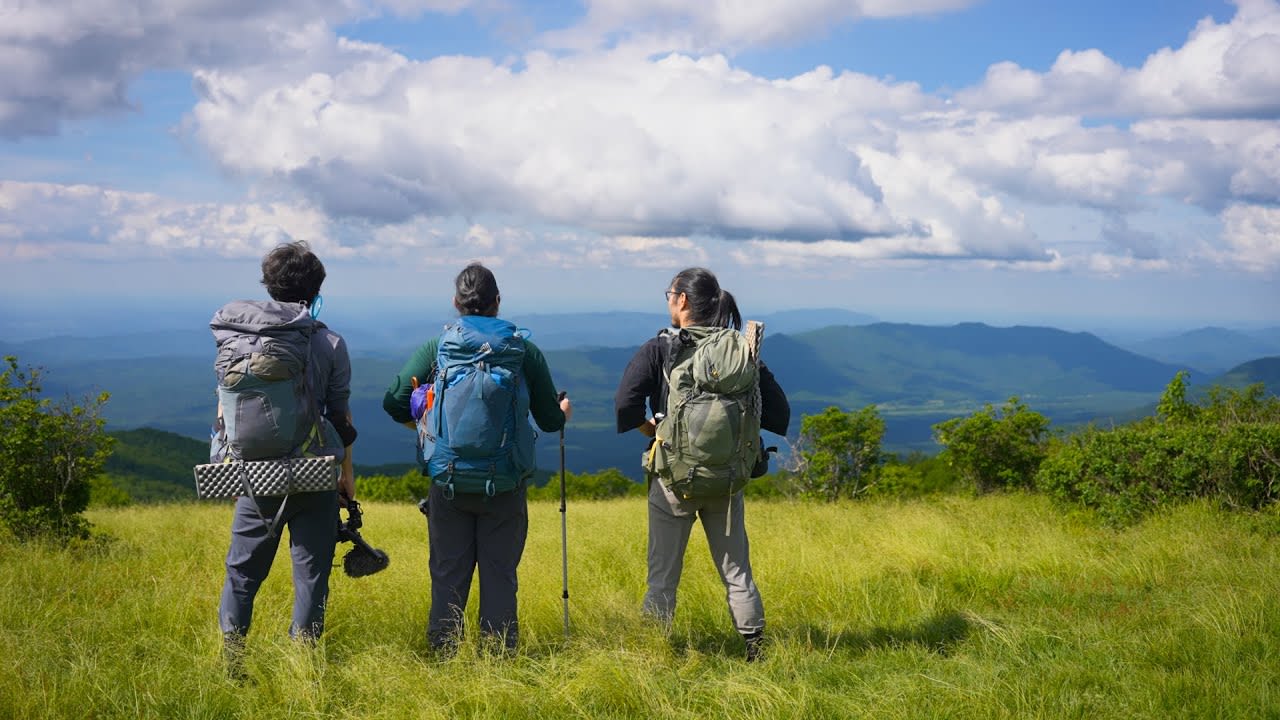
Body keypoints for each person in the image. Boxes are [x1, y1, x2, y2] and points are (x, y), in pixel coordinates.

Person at [382, 263, 571, 654]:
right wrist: (563, 411)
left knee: (448, 574)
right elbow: (550, 421)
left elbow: (393, 401)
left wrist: (426, 426)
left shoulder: (438, 348)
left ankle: (442, 654)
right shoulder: (523, 351)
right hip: (505, 483)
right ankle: (498, 660)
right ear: (497, 302)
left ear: (456, 303)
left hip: (448, 481)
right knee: (499, 575)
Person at [614, 267, 789, 661]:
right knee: (736, 571)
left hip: (674, 483)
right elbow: (780, 414)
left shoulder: (661, 349)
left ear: (683, 300)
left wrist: (651, 430)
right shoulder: (740, 354)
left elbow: (625, 404)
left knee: (662, 578)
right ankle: (756, 651)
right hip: (726, 481)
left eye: (669, 294)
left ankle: (653, 652)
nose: (668, 301)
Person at [215, 241, 357, 661]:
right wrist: (346, 474)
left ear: (269, 287)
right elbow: (340, 418)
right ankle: (303, 662)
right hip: (314, 472)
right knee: (311, 576)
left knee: (242, 572)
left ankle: (232, 658)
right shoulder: (330, 343)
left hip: (255, 474)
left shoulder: (240, 339)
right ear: (315, 293)